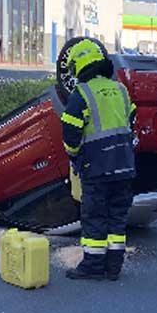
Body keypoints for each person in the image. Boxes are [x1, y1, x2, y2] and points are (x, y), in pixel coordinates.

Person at [60, 39, 137, 281]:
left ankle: (93, 266)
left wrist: (74, 156)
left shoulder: (82, 94)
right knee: (117, 217)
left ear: (79, 66)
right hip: (124, 165)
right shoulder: (120, 89)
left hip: (97, 167)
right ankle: (114, 266)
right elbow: (132, 119)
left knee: (95, 217)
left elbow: (70, 133)